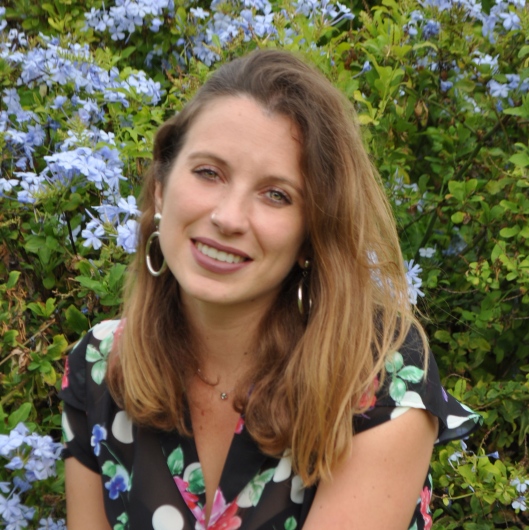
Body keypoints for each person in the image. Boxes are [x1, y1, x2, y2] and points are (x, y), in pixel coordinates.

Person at [60, 49, 480, 530]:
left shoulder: (377, 378)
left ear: (311, 234)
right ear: (160, 187)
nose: (228, 218)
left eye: (276, 195)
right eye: (208, 172)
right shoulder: (101, 366)